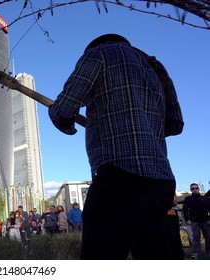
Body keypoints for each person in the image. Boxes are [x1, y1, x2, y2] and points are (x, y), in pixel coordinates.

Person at [48, 34, 183, 259]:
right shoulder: (156, 68)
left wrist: (69, 124)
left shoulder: (98, 54)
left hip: (120, 178)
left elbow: (63, 109)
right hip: (161, 182)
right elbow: (175, 124)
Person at [182, 183, 210, 259]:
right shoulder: (188, 199)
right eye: (193, 189)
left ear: (198, 189)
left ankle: (209, 252)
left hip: (205, 220)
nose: (195, 190)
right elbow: (184, 210)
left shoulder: (205, 199)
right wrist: (187, 219)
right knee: (196, 238)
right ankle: (197, 253)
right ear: (191, 190)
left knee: (208, 237)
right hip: (194, 221)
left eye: (196, 188)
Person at [165, 194, 184, 259]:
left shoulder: (171, 191)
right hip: (167, 217)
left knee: (173, 237)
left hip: (171, 216)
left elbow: (174, 203)